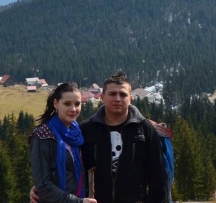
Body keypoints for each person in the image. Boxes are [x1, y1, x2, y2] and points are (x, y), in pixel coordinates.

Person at [33, 72, 167, 203]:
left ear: (130, 98)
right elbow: (70, 169)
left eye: (123, 94)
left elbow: (158, 176)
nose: (118, 99)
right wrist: (39, 189)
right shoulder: (86, 130)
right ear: (102, 97)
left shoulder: (144, 129)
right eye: (112, 94)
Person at [31, 83, 97, 203]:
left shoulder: (77, 134)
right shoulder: (43, 136)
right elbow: (44, 186)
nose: (73, 109)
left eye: (77, 104)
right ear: (56, 103)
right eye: (67, 104)